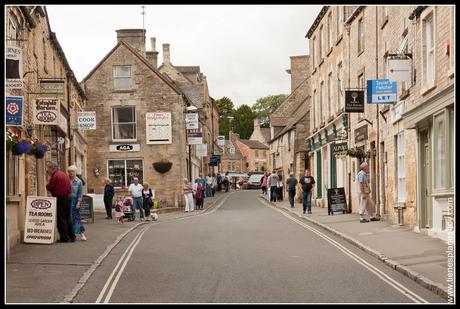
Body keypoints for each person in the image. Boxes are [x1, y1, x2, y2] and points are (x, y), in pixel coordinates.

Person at [46, 161, 75, 243]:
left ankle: (64, 237)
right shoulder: (62, 174)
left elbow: (49, 187)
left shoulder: (55, 176)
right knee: (67, 217)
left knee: (61, 218)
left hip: (60, 198)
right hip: (68, 197)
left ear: (52, 168)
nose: (48, 171)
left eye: (48, 170)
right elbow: (69, 186)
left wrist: (48, 182)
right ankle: (72, 236)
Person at [67, 165, 86, 241]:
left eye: (72, 171)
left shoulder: (79, 182)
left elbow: (80, 194)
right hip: (67, 201)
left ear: (75, 172)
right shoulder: (66, 180)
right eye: (69, 171)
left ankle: (82, 234)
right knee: (69, 218)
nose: (70, 173)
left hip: (75, 201)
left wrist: (78, 202)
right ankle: (71, 234)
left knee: (77, 217)